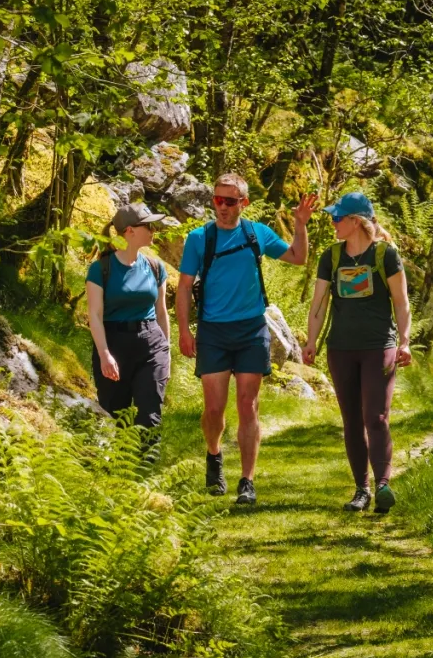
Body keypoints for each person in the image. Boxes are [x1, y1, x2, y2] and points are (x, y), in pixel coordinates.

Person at [176, 173, 317, 505]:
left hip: (252, 330)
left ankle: (247, 481)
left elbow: (298, 257)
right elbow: (183, 287)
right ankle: (214, 455)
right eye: (217, 200)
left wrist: (300, 224)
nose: (222, 207)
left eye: (229, 201)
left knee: (248, 404)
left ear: (244, 203)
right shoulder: (199, 239)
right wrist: (184, 331)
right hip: (213, 331)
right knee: (213, 409)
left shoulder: (257, 234)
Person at [302, 192, 413, 513]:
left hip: (379, 347)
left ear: (355, 221)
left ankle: (383, 485)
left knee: (375, 417)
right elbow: (318, 303)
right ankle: (361, 490)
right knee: (351, 420)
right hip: (340, 349)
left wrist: (404, 341)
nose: (333, 223)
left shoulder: (386, 255)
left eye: (337, 218)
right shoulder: (331, 256)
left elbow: (401, 302)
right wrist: (311, 342)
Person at [85, 203, 177, 433]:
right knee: (115, 413)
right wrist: (105, 355)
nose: (153, 230)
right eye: (148, 225)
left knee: (150, 412)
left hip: (151, 344)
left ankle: (148, 465)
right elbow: (95, 315)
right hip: (114, 343)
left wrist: (166, 351)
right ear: (129, 231)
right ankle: (116, 466)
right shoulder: (100, 269)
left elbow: (162, 313)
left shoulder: (156, 267)